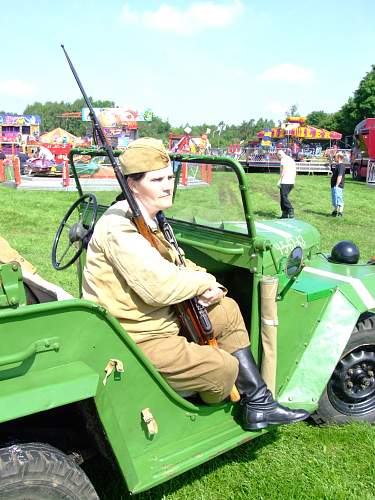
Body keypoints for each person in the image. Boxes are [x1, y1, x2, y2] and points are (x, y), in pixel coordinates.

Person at [82, 138, 309, 431]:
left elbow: (177, 262)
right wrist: (202, 281)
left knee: (226, 310)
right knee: (223, 369)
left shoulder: (148, 217)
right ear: (132, 184)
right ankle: (200, 404)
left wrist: (209, 283)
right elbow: (159, 287)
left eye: (170, 177)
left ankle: (258, 402)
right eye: (157, 179)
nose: (168, 185)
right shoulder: (120, 227)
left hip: (161, 318)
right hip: (133, 337)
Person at [276, 149, 296, 218]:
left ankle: (290, 209)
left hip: (285, 181)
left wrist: (280, 180)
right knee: (283, 197)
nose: (278, 159)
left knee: (284, 197)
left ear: (279, 155)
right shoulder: (291, 159)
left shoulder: (283, 159)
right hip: (291, 181)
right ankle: (284, 213)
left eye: (278, 157)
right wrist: (294, 180)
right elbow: (295, 171)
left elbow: (283, 170)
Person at [330, 151, 346, 217]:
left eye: (335, 157)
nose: (334, 158)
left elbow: (340, 176)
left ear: (339, 157)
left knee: (339, 198)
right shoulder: (338, 165)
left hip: (338, 186)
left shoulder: (341, 166)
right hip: (334, 185)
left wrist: (337, 185)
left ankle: (340, 212)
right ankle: (335, 210)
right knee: (335, 199)